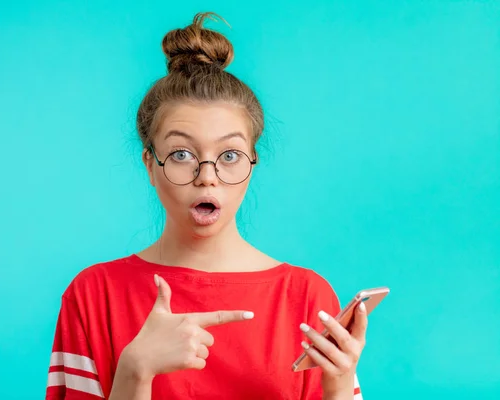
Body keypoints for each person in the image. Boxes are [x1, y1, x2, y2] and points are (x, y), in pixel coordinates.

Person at [45, 12, 367, 400]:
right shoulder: (93, 295)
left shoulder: (307, 298)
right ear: (150, 164)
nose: (207, 176)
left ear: (253, 164)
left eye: (229, 155)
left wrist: (336, 388)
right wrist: (134, 372)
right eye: (182, 153)